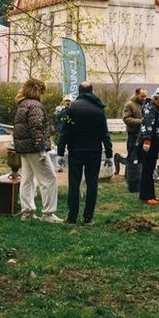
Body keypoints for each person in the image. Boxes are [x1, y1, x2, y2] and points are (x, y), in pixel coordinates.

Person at [57, 82, 113, 225]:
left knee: (74, 184)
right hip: (94, 151)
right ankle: (88, 217)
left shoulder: (72, 107)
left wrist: (60, 152)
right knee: (92, 184)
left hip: (76, 150)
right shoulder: (99, 109)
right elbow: (104, 133)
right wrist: (109, 153)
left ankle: (72, 217)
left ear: (79, 91)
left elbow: (65, 132)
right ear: (91, 91)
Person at [11, 78, 62, 223]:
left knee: (27, 179)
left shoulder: (22, 104)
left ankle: (27, 212)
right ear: (39, 91)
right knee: (49, 178)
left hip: (24, 149)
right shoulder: (35, 106)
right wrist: (41, 149)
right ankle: (48, 213)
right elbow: (37, 128)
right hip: (35, 148)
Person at [137, 87, 159, 205]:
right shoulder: (150, 108)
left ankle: (151, 195)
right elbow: (147, 125)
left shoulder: (157, 107)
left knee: (150, 169)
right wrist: (147, 140)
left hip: (155, 142)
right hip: (149, 143)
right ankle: (146, 196)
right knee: (147, 169)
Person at [116, 87, 146, 183]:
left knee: (142, 156)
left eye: (145, 96)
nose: (144, 98)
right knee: (132, 156)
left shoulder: (145, 104)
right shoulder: (129, 104)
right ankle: (129, 176)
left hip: (143, 134)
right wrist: (140, 121)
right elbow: (126, 119)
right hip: (133, 134)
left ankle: (140, 175)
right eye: (142, 96)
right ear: (136, 94)